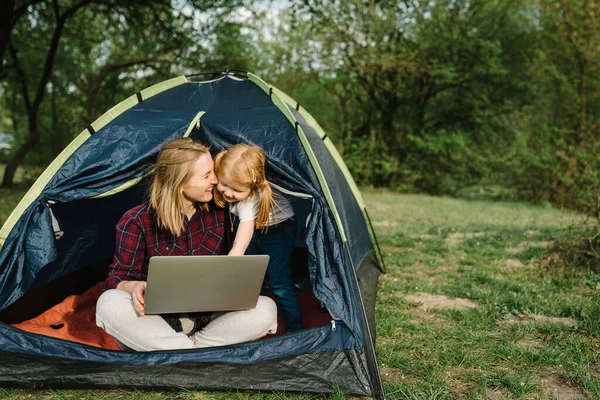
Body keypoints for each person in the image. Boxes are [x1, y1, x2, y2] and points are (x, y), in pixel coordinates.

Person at [95, 138, 278, 351]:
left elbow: (250, 194)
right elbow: (116, 279)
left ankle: (181, 354)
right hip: (157, 323)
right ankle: (195, 355)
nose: (215, 180)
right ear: (180, 182)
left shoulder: (223, 209)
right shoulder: (136, 221)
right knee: (108, 303)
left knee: (267, 308)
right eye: (207, 175)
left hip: (212, 321)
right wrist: (133, 286)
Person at [213, 144, 303, 332]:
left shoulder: (248, 201)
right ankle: (252, 322)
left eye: (235, 189)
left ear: (252, 186)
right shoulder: (235, 192)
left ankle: (296, 330)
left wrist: (232, 260)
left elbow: (241, 243)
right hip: (254, 226)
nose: (228, 193)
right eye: (224, 184)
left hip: (278, 228)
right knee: (254, 279)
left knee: (280, 283)